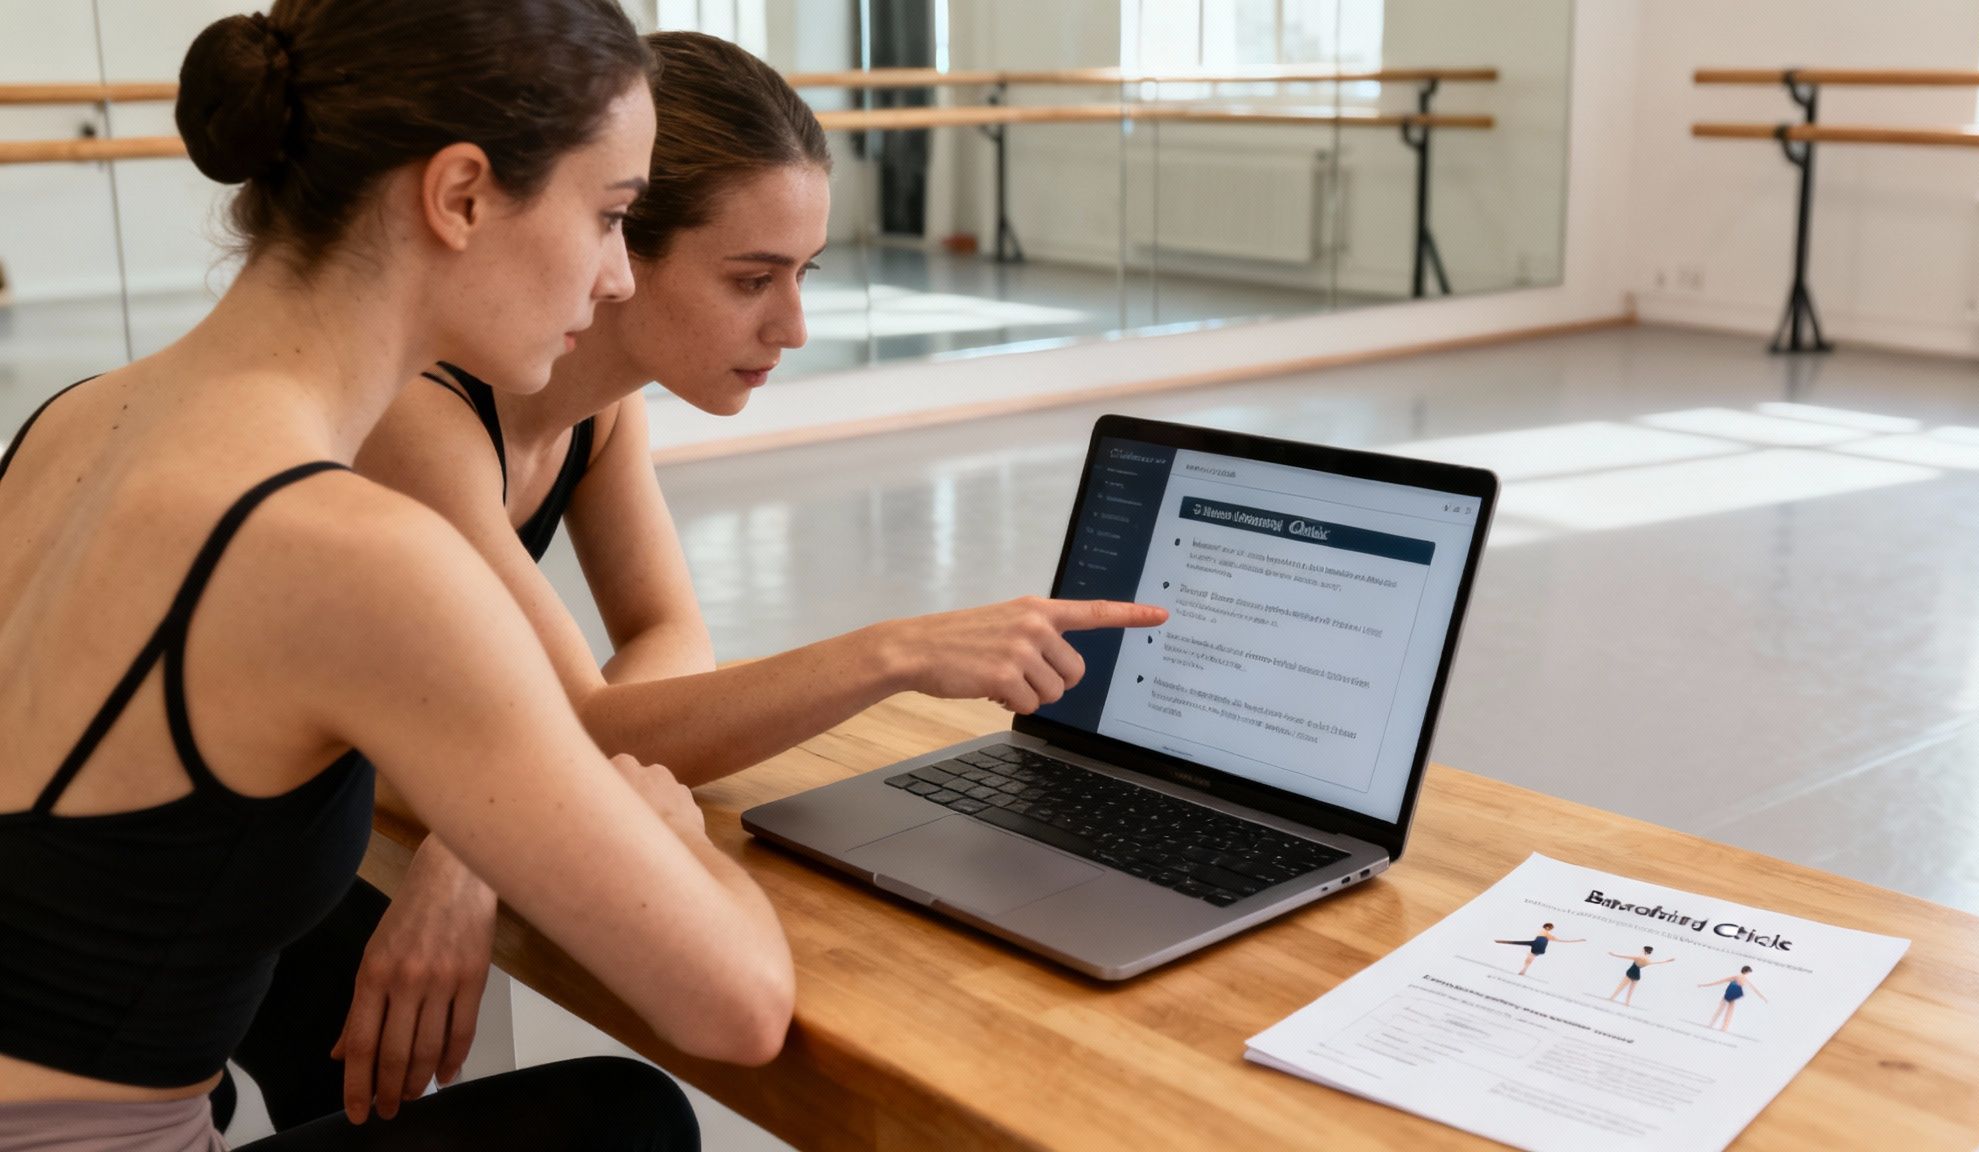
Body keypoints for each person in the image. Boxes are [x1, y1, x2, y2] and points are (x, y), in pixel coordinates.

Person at [207, 30, 1169, 1133]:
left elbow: (662, 638)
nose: (791, 327)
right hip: (265, 893)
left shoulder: (596, 410)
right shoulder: (423, 411)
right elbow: (591, 717)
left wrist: (483, 833)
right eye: (750, 280)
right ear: (617, 244)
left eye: (803, 275)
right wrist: (891, 652)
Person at [0, 3, 791, 1149]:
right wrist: (663, 822)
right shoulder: (347, 549)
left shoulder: (71, 420)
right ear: (460, 195)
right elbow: (740, 1005)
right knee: (626, 1124)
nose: (618, 276)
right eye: (611, 214)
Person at [1493, 923, 1583, 976]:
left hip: (1537, 946)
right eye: (1549, 928)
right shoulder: (1544, 933)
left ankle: (1523, 970)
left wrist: (1577, 940)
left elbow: (1562, 940)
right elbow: (1562, 940)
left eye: (1549, 928)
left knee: (1525, 952)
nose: (1548, 929)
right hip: (1537, 945)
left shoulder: (1546, 934)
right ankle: (1523, 970)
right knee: (1523, 950)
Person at [1700, 966, 1768, 1031]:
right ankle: (1723, 1028)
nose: (1748, 973)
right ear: (1747, 972)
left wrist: (1704, 985)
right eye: (1749, 972)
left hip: (1728, 996)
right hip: (1732, 997)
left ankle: (1712, 1025)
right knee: (1728, 1013)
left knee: (1720, 1011)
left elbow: (1719, 981)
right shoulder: (1744, 979)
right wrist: (1763, 997)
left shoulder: (1736, 977)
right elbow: (1755, 989)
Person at [1605, 945, 1674, 1006]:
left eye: (1642, 949)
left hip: (1630, 973)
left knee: (1621, 987)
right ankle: (1627, 1004)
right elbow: (1658, 962)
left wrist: (1613, 954)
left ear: (1644, 950)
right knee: (1630, 991)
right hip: (1637, 976)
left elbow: (1624, 956)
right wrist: (1668, 961)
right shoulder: (1648, 961)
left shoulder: (1638, 957)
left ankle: (1612, 998)